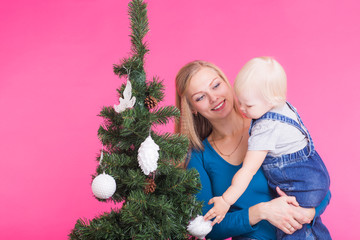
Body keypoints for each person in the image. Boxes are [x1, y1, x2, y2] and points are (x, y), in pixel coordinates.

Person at [175, 60, 331, 240]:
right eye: (200, 97)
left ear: (227, 83)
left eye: (216, 86)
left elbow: (319, 185)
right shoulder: (198, 156)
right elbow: (205, 225)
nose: (213, 98)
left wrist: (309, 213)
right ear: (192, 109)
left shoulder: (270, 126)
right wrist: (261, 212)